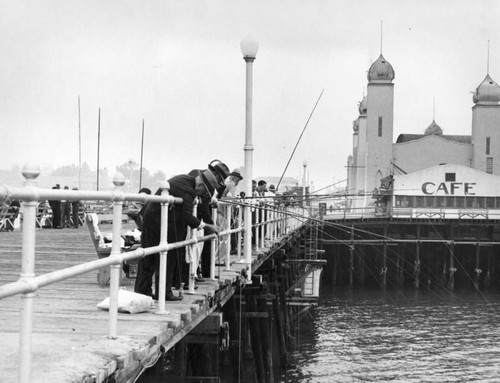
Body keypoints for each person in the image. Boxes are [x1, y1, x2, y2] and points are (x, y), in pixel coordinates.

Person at [134, 169, 220, 301]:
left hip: (153, 217)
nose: (200, 196)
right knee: (167, 256)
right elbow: (187, 216)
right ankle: (163, 292)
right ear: (201, 186)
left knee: (148, 256)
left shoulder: (184, 179)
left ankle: (142, 290)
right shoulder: (188, 190)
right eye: (203, 193)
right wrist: (207, 226)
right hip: (159, 220)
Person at [188, 161, 229, 278]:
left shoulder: (207, 179)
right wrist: (212, 226)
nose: (218, 180)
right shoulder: (200, 177)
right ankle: (193, 274)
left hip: (199, 219)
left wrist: (214, 199)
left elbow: (210, 199)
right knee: (194, 248)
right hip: (194, 219)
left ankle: (199, 272)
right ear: (214, 173)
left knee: (200, 247)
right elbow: (203, 206)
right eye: (218, 177)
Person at [221, 169, 244, 253]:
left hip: (227, 212)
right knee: (227, 231)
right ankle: (231, 249)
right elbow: (228, 198)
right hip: (224, 213)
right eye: (238, 180)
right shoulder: (231, 185)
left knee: (230, 230)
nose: (238, 182)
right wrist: (238, 201)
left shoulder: (230, 185)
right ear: (236, 179)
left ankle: (232, 248)